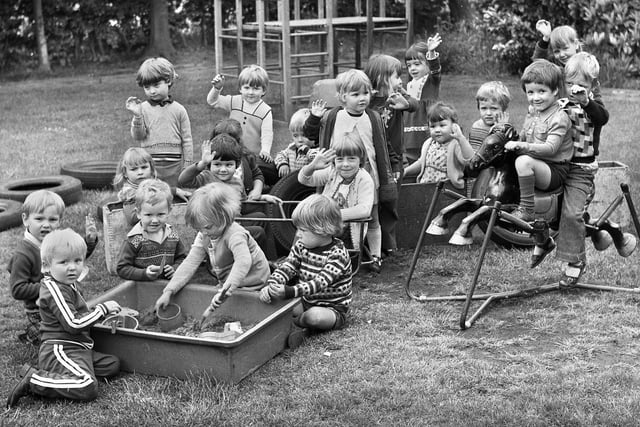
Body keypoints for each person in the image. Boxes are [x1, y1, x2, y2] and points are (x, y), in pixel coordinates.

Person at [528, 53, 630, 286]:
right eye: (571, 84)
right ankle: (545, 241)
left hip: (581, 170)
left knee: (572, 214)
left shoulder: (593, 106)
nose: (575, 89)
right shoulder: (561, 103)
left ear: (593, 85)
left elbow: (602, 117)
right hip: (558, 164)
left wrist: (586, 101)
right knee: (541, 205)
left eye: (582, 85)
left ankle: (575, 261)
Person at [6, 229, 121, 409]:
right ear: (46, 266)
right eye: (64, 262)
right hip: (60, 348)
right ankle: (34, 379)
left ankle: (64, 373)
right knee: (88, 387)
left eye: (77, 261)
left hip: (80, 347)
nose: (72, 267)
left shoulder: (67, 282)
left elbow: (80, 313)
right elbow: (73, 324)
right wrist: (102, 309)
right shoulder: (55, 289)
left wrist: (98, 315)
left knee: (112, 365)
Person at [303, 69, 399, 272]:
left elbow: (384, 145)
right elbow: (309, 135)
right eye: (355, 95)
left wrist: (395, 165)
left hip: (368, 175)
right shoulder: (332, 117)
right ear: (342, 97)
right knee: (337, 215)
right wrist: (314, 117)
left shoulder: (373, 117)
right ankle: (334, 252)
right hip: (338, 174)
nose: (362, 98)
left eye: (365, 93)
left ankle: (375, 256)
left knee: (372, 218)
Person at [154, 182, 270, 313]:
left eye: (208, 227)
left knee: (242, 313)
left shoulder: (235, 235)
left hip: (254, 284)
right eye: (199, 228)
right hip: (229, 282)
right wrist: (169, 291)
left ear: (224, 217)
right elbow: (190, 262)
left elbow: (243, 262)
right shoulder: (205, 234)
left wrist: (225, 291)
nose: (203, 232)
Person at [259, 194, 352, 347]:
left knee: (314, 317)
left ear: (323, 229)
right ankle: (292, 325)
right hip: (304, 301)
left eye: (303, 230)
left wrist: (289, 291)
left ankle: (296, 324)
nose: (298, 234)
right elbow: (287, 267)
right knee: (274, 300)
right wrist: (272, 285)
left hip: (331, 309)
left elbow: (319, 282)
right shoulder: (301, 246)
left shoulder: (338, 253)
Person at [7, 190, 98, 347]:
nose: (46, 224)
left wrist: (89, 242)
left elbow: (69, 260)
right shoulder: (24, 253)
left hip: (66, 298)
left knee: (82, 328)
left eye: (52, 219)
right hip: (41, 311)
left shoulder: (53, 242)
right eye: (39, 219)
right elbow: (18, 289)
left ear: (59, 221)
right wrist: (50, 287)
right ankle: (34, 333)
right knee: (62, 338)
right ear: (25, 219)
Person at [504, 59, 573, 222]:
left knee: (523, 162)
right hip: (538, 162)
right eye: (530, 92)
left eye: (541, 91)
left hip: (554, 169)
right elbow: (523, 135)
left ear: (555, 90)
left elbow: (550, 149)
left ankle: (527, 209)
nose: (536, 98)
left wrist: (522, 146)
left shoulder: (559, 117)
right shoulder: (534, 113)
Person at [364, 54, 419, 257]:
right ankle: (373, 245)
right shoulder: (369, 105)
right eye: (397, 77)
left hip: (396, 162)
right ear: (382, 77)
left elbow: (416, 104)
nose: (400, 81)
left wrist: (405, 101)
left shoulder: (397, 99)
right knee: (375, 203)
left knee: (390, 203)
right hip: (378, 163)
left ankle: (388, 245)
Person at [298, 132, 375, 252]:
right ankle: (296, 257)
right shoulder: (332, 172)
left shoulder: (364, 179)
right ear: (334, 161)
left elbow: (364, 210)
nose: (345, 164)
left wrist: (331, 215)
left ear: (360, 160)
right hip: (326, 224)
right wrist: (312, 166)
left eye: (351, 159)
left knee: (314, 229)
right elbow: (304, 180)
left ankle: (311, 258)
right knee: (306, 226)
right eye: (340, 159)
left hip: (348, 228)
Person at [125, 57, 193, 188]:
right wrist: (137, 116)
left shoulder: (179, 110)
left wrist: (188, 164)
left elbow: (187, 140)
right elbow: (138, 136)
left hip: (174, 165)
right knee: (151, 195)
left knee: (174, 195)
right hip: (149, 164)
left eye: (156, 85)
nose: (152, 91)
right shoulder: (142, 108)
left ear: (168, 81)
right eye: (147, 87)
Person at [207, 65, 278, 185]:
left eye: (256, 89)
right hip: (230, 150)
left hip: (251, 154)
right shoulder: (235, 101)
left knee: (245, 179)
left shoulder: (265, 110)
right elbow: (213, 101)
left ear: (263, 91)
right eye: (247, 88)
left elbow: (267, 133)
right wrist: (216, 89)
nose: (250, 92)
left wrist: (265, 150)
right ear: (240, 88)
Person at [116, 179, 188, 281]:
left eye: (160, 214)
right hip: (143, 289)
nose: (154, 220)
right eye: (149, 215)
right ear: (138, 213)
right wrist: (144, 273)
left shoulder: (172, 234)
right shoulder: (135, 239)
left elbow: (182, 258)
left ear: (169, 211)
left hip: (167, 287)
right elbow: (122, 268)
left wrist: (174, 269)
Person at [404, 102, 474, 191]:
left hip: (446, 191)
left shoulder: (455, 144)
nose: (437, 130)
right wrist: (406, 171)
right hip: (425, 189)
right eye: (433, 126)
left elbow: (468, 160)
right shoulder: (429, 143)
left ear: (454, 125)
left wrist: (461, 139)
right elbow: (422, 162)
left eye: (442, 125)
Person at [532, 20, 602, 101]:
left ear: (575, 44)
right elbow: (537, 65)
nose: (562, 54)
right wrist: (546, 38)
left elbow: (598, 101)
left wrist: (592, 105)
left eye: (565, 48)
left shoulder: (587, 66)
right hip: (559, 110)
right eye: (557, 51)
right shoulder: (555, 68)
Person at [403, 34, 443, 164]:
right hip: (410, 128)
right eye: (409, 66)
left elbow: (435, 70)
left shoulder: (431, 81)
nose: (412, 68)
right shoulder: (408, 85)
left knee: (427, 153)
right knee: (411, 155)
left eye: (417, 64)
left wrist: (431, 53)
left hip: (426, 123)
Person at [113, 147, 157, 226]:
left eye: (144, 167)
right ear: (125, 173)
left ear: (151, 169)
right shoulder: (129, 193)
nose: (140, 172)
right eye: (134, 169)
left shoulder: (155, 183)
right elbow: (132, 219)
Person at [469, 81, 512, 153]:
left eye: (493, 108)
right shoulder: (476, 126)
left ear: (503, 109)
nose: (488, 113)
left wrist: (501, 130)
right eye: (484, 108)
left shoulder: (507, 130)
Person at [274, 108, 317, 177]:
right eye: (295, 136)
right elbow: (280, 155)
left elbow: (318, 158)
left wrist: (307, 150)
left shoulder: (315, 149)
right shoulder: (292, 148)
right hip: (293, 182)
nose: (300, 140)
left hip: (308, 184)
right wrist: (283, 164)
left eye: (304, 135)